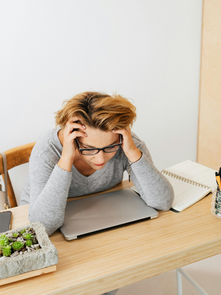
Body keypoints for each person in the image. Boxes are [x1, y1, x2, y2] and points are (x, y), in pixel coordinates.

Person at [20, 91, 174, 295]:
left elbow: (162, 201)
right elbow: (42, 224)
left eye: (109, 147)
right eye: (89, 148)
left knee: (105, 278)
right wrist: (66, 157)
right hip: (52, 220)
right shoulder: (47, 150)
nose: (101, 158)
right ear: (73, 138)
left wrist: (132, 152)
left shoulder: (124, 142)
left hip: (101, 214)